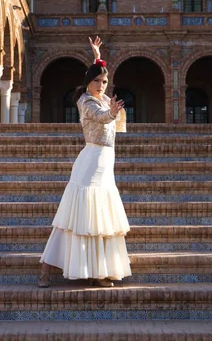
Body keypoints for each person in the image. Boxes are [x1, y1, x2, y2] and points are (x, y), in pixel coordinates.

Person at [38, 36, 131, 288]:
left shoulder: (101, 98)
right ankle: (46, 270)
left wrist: (97, 55)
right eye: (97, 81)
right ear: (88, 82)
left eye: (104, 81)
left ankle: (99, 270)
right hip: (90, 163)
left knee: (100, 217)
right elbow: (100, 117)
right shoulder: (86, 101)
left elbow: (105, 107)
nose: (101, 85)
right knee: (76, 216)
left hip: (105, 165)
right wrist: (111, 112)